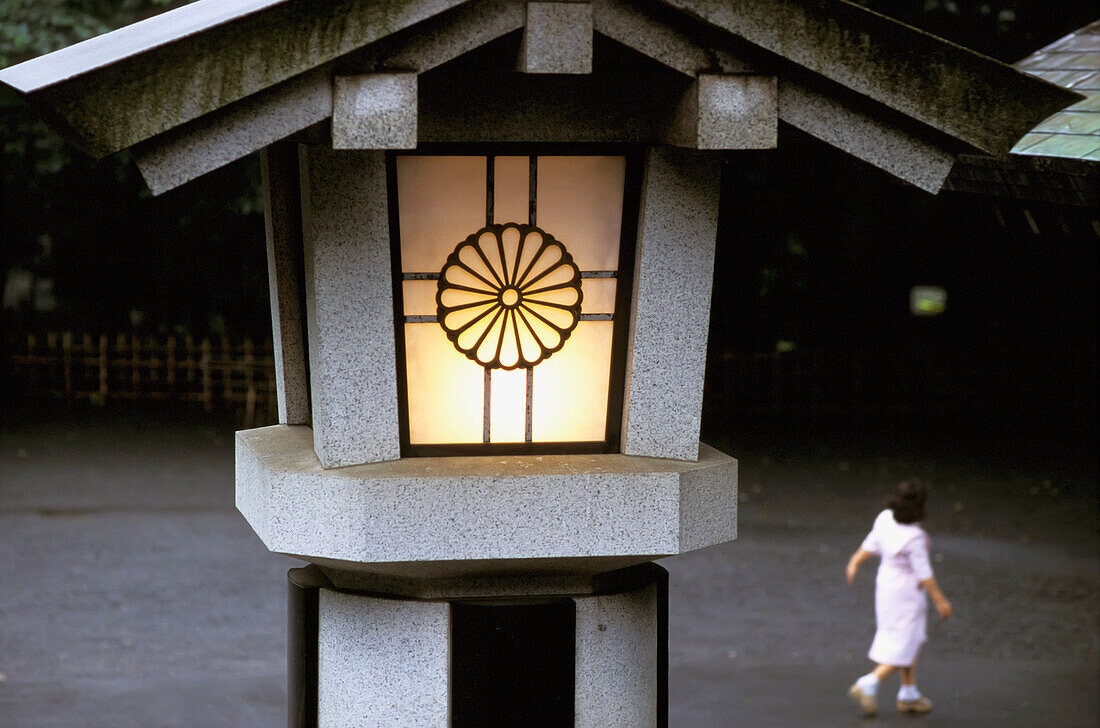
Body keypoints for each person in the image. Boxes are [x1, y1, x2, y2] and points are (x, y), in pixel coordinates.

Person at [845, 479, 952, 716]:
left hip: (886, 587)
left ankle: (908, 692)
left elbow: (871, 544)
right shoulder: (914, 537)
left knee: (905, 637)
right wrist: (940, 600)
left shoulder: (885, 519)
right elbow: (924, 574)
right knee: (908, 641)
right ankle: (870, 682)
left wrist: (854, 561)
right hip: (908, 593)